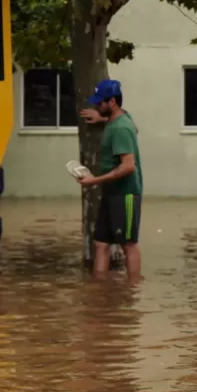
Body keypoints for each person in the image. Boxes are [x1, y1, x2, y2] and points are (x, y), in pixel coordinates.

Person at [76, 79, 143, 278]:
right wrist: (102, 118)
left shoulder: (120, 129)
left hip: (125, 193)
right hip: (112, 193)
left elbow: (129, 166)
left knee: (128, 244)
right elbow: (135, 128)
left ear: (112, 102)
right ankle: (100, 293)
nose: (97, 106)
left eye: (100, 103)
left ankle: (132, 292)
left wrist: (93, 181)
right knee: (101, 243)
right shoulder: (120, 120)